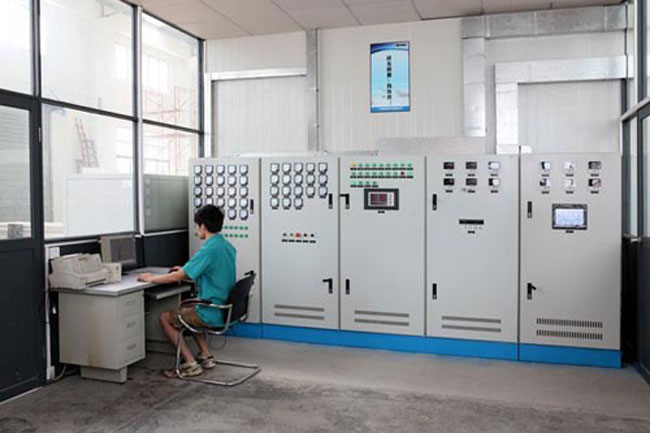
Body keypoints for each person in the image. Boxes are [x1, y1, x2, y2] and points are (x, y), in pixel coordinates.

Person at [137, 205, 236, 378]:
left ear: (202, 226)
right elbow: (209, 270)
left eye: (197, 226)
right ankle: (205, 356)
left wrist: (151, 278)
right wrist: (184, 270)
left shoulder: (209, 249)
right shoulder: (226, 246)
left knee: (165, 318)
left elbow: (178, 277)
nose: (196, 229)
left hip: (211, 311)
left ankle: (190, 363)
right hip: (222, 308)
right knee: (189, 311)